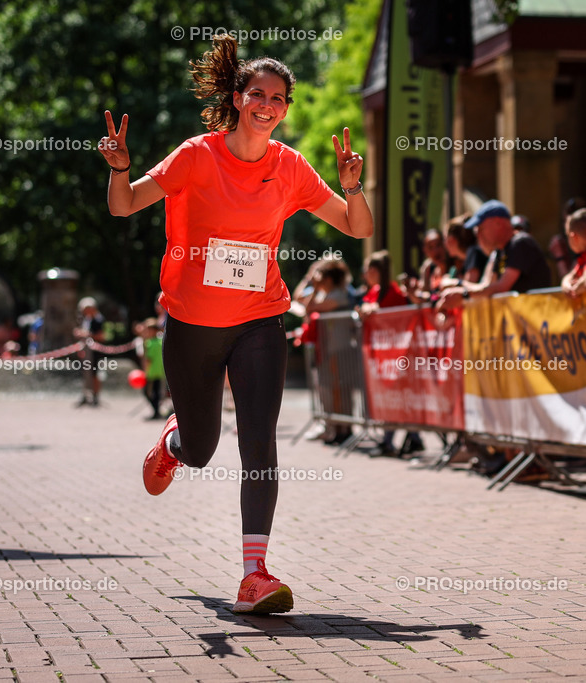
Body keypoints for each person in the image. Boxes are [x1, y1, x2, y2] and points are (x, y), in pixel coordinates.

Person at [98, 34, 372, 614]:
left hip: (260, 319)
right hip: (192, 321)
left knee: (260, 445)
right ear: (238, 98)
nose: (266, 105)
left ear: (286, 107)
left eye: (277, 97)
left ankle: (255, 575)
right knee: (203, 449)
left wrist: (351, 184)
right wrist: (120, 170)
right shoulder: (196, 154)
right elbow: (124, 206)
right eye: (257, 94)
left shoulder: (291, 166)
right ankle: (175, 442)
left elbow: (356, 227)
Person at [359, 250, 422, 456]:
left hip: (400, 353)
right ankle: (409, 438)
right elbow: (365, 305)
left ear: (375, 271)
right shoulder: (376, 291)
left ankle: (403, 439)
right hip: (386, 356)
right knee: (392, 395)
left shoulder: (393, 293)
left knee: (399, 395)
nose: (364, 274)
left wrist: (372, 309)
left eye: (367, 269)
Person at [436, 200, 551, 309]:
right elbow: (487, 286)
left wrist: (463, 293)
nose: (478, 235)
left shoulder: (520, 243)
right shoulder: (499, 251)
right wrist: (458, 285)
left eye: (481, 229)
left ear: (498, 223)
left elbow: (501, 287)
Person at [73, 297, 106, 407]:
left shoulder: (98, 320)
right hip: (87, 351)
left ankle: (95, 395)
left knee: (95, 374)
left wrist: (86, 334)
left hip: (96, 352)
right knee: (86, 373)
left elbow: (101, 336)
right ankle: (86, 394)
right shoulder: (86, 319)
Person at [410, 230, 451, 304]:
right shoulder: (428, 268)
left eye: (438, 245)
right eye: (430, 247)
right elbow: (423, 299)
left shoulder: (455, 266)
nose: (435, 251)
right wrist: (412, 292)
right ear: (425, 250)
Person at [443, 215, 486, 285]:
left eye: (445, 239)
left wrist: (451, 282)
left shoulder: (473, 252)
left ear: (452, 240)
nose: (444, 244)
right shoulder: (465, 258)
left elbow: (469, 286)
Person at [139, 318, 166, 420]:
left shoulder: (149, 343)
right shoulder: (161, 341)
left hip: (151, 372)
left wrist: (145, 371)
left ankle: (156, 412)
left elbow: (148, 359)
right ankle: (157, 411)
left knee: (148, 392)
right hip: (160, 372)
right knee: (157, 393)